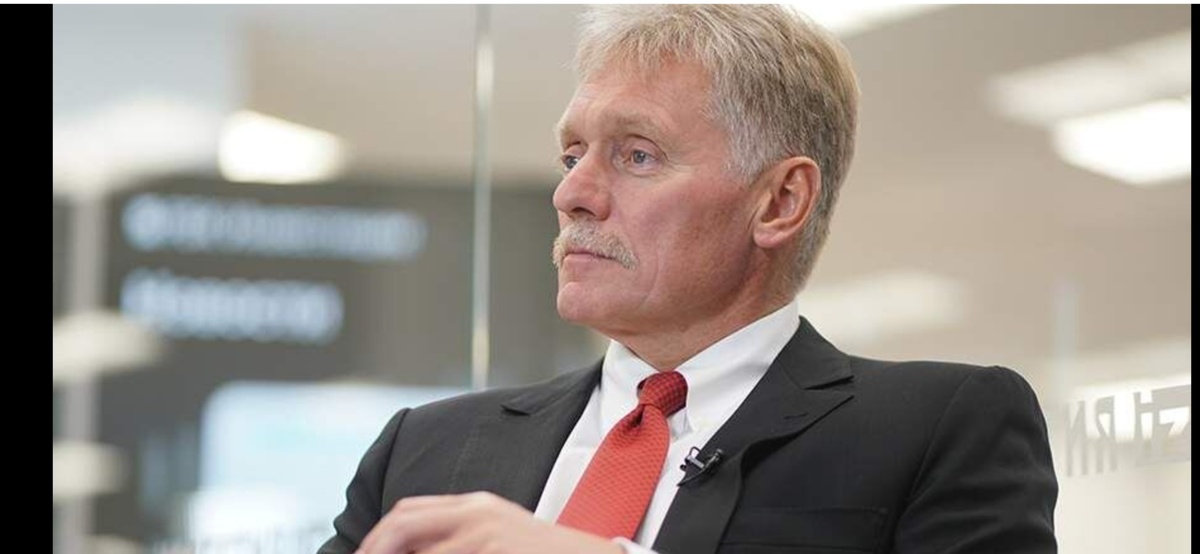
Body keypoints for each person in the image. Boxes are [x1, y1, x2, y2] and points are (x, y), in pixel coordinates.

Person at [319, 5, 1058, 554]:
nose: (572, 194)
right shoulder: (425, 449)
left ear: (780, 201)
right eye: (572, 155)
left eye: (636, 155)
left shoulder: (936, 427)